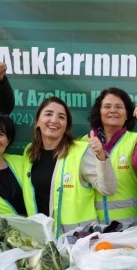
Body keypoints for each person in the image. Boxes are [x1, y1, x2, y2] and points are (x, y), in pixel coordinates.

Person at [24, 97, 116, 235]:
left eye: (61, 117)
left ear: (67, 126)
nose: (54, 120)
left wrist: (101, 157)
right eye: (48, 114)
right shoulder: (29, 152)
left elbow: (108, 189)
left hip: (77, 241)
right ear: (37, 121)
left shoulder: (82, 151)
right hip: (42, 240)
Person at [85, 88, 137, 226]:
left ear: (127, 114)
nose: (113, 110)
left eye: (119, 107)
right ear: (99, 112)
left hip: (129, 227)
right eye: (107, 106)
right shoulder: (84, 143)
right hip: (94, 228)